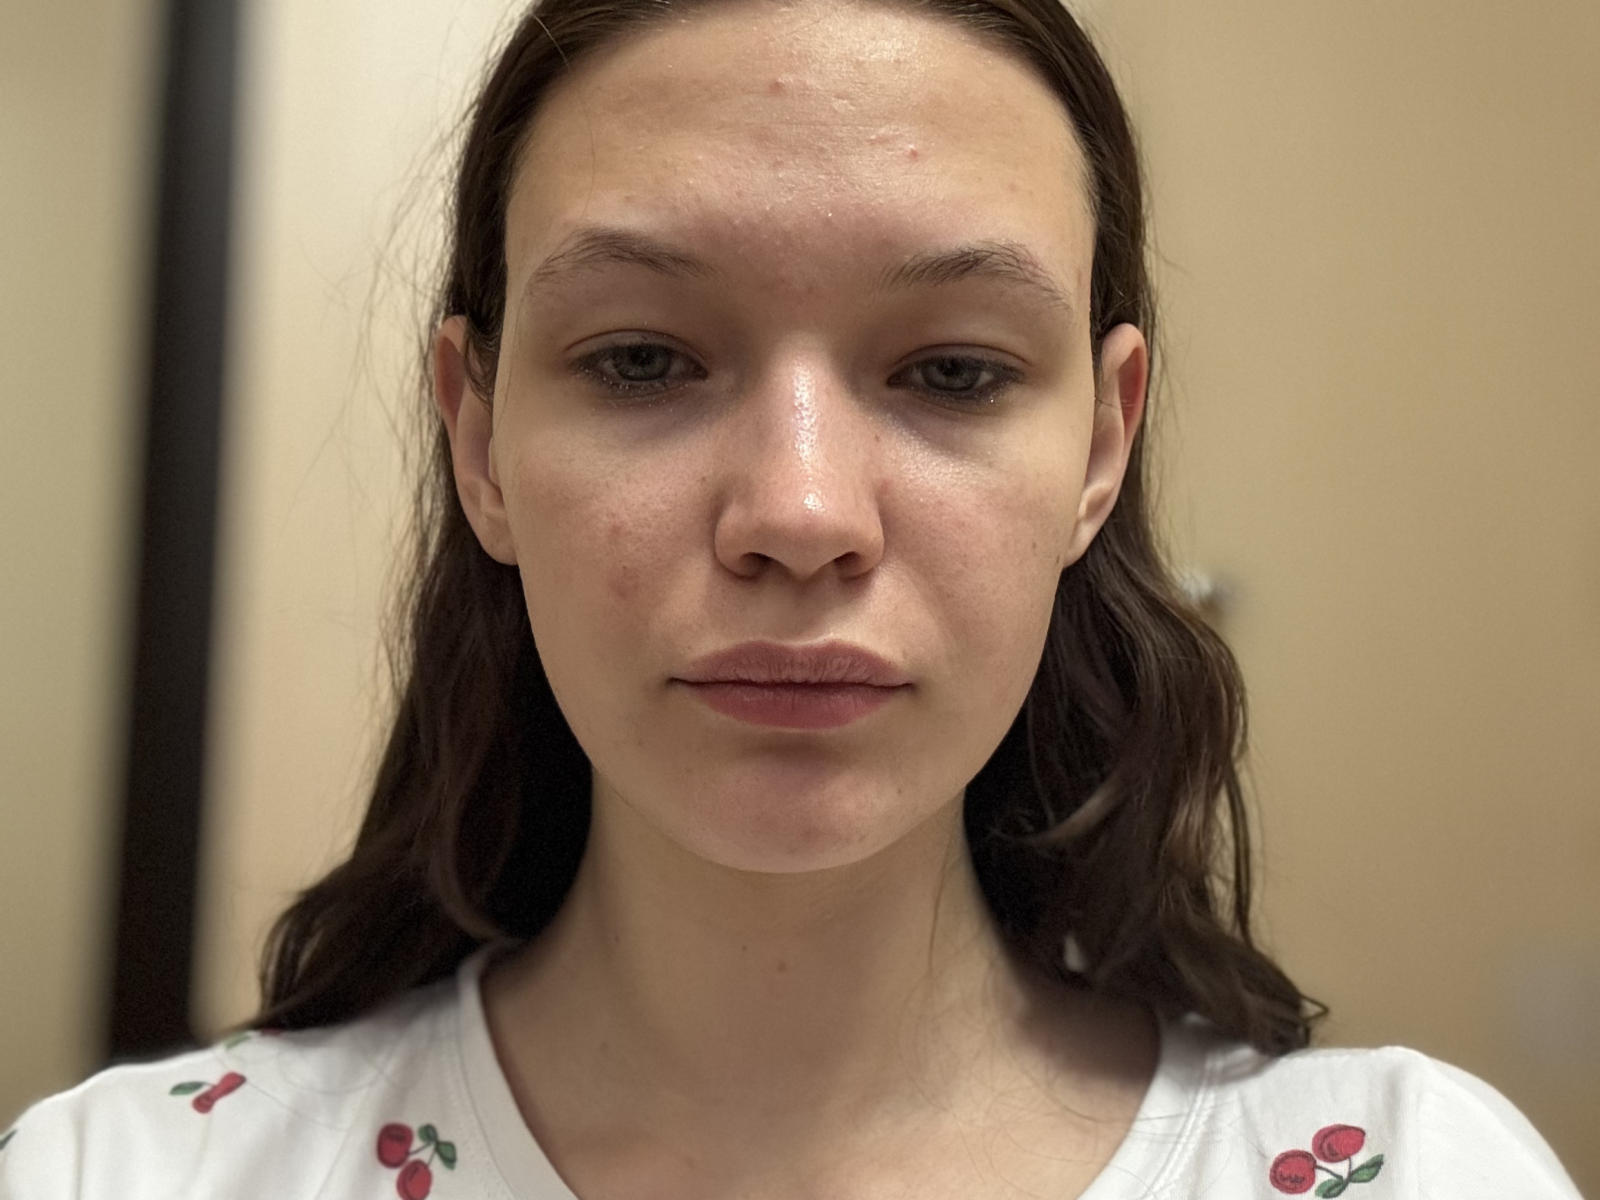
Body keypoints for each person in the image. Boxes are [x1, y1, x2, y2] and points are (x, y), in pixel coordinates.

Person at [1, 0, 1586, 1195]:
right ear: (477, 435)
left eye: (954, 370)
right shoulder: (125, 1178)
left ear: (1101, 445)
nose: (801, 514)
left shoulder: (1418, 1173)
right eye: (641, 359)